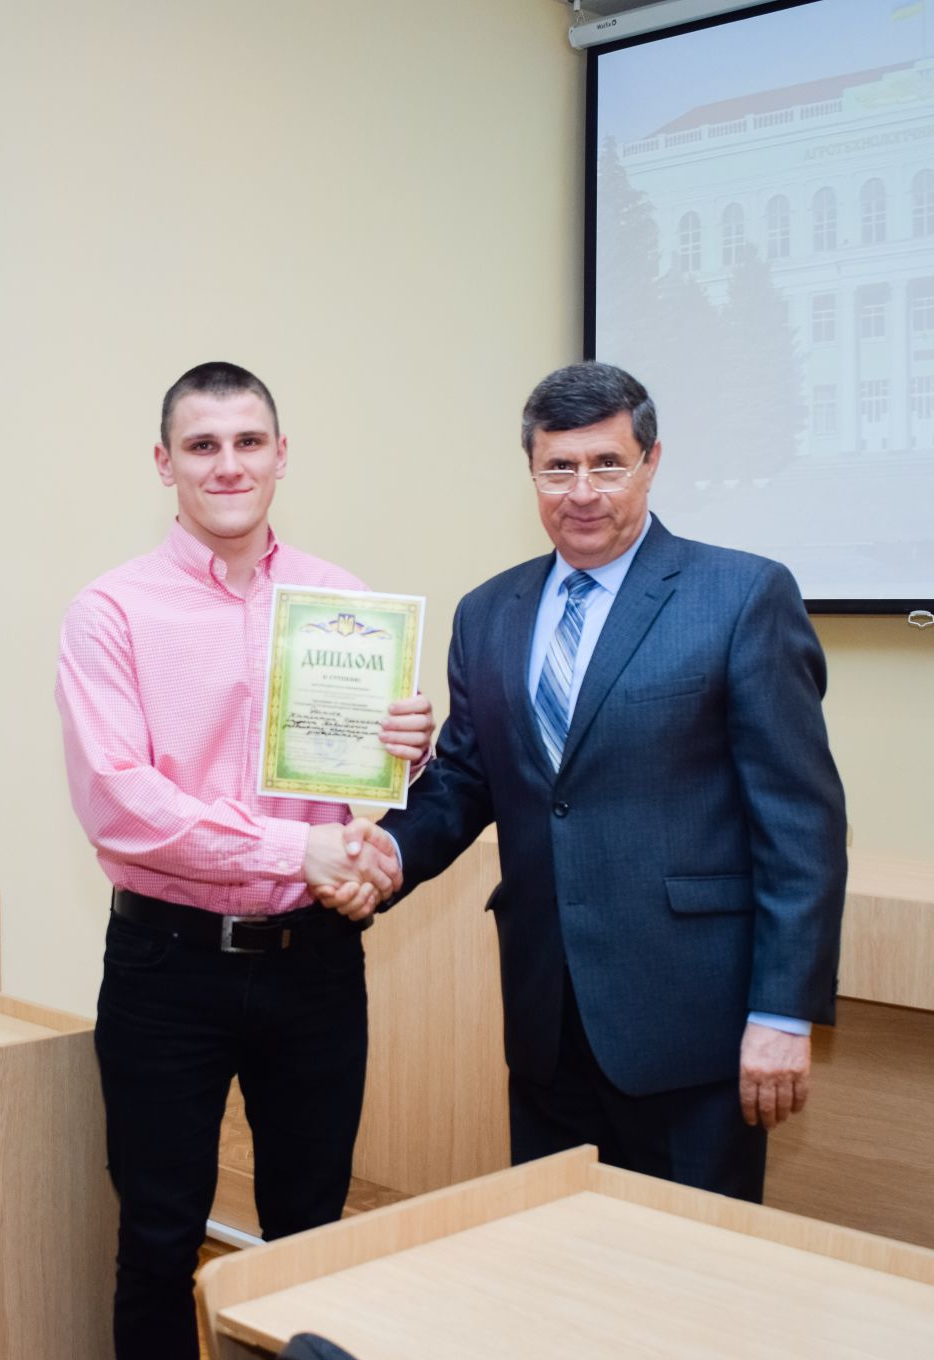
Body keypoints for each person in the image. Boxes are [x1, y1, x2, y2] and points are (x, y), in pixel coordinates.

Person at [320, 360, 847, 1204]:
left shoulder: (742, 595)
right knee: (554, 1253)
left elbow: (801, 823)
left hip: (692, 1027)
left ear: (651, 462)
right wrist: (387, 852)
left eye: (608, 464)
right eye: (558, 468)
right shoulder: (488, 612)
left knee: (691, 1264)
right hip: (545, 1018)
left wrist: (782, 1013)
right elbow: (466, 778)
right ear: (532, 471)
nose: (583, 491)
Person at [55, 361, 433, 1360]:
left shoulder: (341, 602)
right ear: (164, 463)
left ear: (280, 455)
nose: (229, 465)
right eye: (203, 445)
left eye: (249, 441)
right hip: (166, 970)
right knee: (159, 1239)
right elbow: (122, 805)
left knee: (313, 1234)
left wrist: (405, 751)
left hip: (315, 964)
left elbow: (353, 799)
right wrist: (295, 847)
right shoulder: (111, 611)